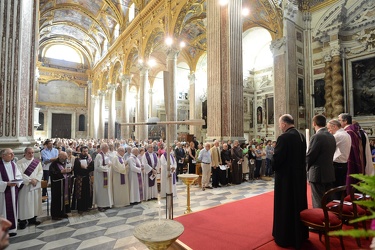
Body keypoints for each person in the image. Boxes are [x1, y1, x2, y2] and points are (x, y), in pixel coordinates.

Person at [272, 114, 308, 248]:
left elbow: (278, 159)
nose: (280, 126)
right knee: (297, 204)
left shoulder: (284, 137)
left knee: (286, 205)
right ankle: (300, 234)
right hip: (299, 176)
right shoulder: (301, 136)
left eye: (280, 124)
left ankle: (285, 236)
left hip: (286, 179)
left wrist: (272, 160)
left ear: (284, 124)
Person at [306, 115, 336, 208]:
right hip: (329, 172)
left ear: (314, 123)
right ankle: (329, 219)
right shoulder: (331, 136)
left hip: (317, 173)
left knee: (318, 200)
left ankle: (321, 220)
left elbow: (311, 156)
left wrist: (306, 168)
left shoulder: (317, 136)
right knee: (328, 200)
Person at [338, 113, 365, 194]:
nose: (338, 122)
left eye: (339, 120)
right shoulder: (353, 129)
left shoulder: (348, 131)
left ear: (345, 121)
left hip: (350, 158)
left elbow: (350, 148)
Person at [17, 147, 43, 229]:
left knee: (34, 203)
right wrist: (29, 180)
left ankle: (33, 219)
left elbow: (40, 171)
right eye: (29, 153)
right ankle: (23, 221)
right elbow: (19, 174)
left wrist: (36, 179)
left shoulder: (37, 162)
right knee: (25, 204)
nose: (31, 154)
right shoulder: (19, 162)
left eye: (32, 153)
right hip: (25, 187)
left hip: (35, 186)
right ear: (25, 153)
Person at [0, 148, 22, 237]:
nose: (13, 156)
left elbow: (19, 175)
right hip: (2, 192)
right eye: (10, 154)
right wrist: (6, 184)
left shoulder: (13, 164)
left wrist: (17, 181)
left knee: (13, 209)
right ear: (3, 155)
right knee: (3, 210)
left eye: (13, 153)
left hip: (13, 191)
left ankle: (12, 229)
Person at [327, 119, 351, 191]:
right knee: (341, 186)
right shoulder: (346, 134)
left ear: (334, 126)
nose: (328, 131)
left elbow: (328, 148)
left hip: (337, 165)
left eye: (328, 128)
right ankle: (341, 200)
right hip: (344, 164)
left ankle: (335, 201)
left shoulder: (337, 135)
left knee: (335, 188)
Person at [71, 146, 94, 214]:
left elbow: (92, 167)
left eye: (86, 151)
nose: (85, 153)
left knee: (87, 192)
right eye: (84, 151)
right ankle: (80, 208)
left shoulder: (89, 159)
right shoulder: (77, 159)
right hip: (80, 178)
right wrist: (81, 167)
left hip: (87, 178)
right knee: (80, 194)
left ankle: (87, 206)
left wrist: (86, 168)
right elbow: (76, 169)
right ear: (81, 152)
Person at [49, 151, 72, 220]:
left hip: (64, 184)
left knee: (64, 198)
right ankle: (55, 215)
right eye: (65, 157)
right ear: (60, 157)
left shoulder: (65, 163)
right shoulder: (54, 164)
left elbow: (69, 172)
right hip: (57, 186)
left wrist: (69, 171)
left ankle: (63, 213)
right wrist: (61, 172)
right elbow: (52, 173)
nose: (66, 158)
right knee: (57, 200)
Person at [94, 143, 113, 212]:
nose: (108, 149)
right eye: (107, 147)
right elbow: (97, 167)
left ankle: (106, 204)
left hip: (106, 175)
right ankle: (100, 205)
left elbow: (109, 162)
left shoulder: (106, 155)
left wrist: (110, 164)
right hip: (101, 177)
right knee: (101, 191)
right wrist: (107, 168)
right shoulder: (99, 156)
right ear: (103, 148)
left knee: (106, 190)